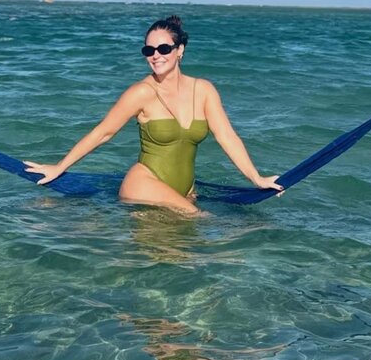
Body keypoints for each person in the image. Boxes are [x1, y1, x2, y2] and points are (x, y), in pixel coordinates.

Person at [23, 15, 284, 216]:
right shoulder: (141, 92)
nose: (156, 56)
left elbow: (227, 136)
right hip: (143, 186)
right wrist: (60, 167)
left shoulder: (204, 90)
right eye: (149, 51)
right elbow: (103, 132)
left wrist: (256, 178)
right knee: (202, 220)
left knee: (176, 258)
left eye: (163, 49)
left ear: (180, 50)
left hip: (185, 192)